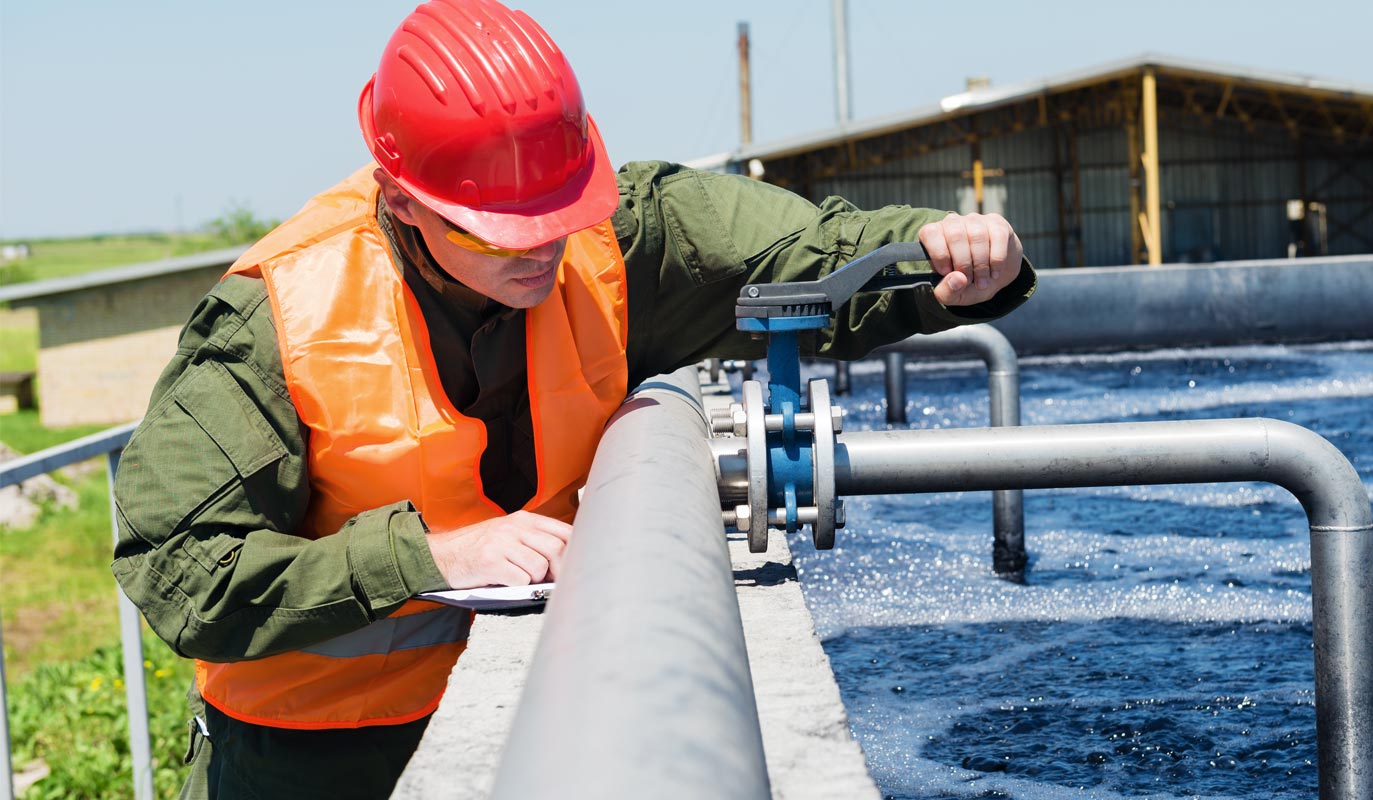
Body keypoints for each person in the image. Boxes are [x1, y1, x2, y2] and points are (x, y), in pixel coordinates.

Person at [110, 0, 1034, 796]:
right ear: (403, 201)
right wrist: (425, 556)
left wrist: (940, 257)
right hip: (308, 766)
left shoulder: (617, 236)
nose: (542, 250)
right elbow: (178, 568)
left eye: (558, 214)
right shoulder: (274, 319)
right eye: (503, 233)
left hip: (542, 718)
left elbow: (804, 255)